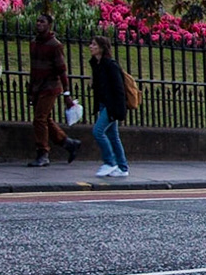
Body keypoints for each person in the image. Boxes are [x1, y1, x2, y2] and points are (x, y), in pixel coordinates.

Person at [27, 14, 80, 167]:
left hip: (50, 87)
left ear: (49, 25)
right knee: (45, 119)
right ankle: (69, 143)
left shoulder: (55, 45)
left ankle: (43, 153)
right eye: (37, 21)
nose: (38, 24)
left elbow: (62, 70)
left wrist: (67, 93)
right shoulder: (34, 43)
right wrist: (31, 89)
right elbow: (33, 69)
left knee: (39, 119)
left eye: (42, 21)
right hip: (37, 86)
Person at [88, 36, 131, 179]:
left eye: (94, 44)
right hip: (103, 104)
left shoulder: (110, 65)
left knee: (98, 132)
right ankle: (122, 167)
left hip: (111, 106)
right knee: (113, 136)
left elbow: (119, 90)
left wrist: (117, 111)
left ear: (101, 48)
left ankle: (110, 162)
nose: (90, 46)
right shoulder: (97, 64)